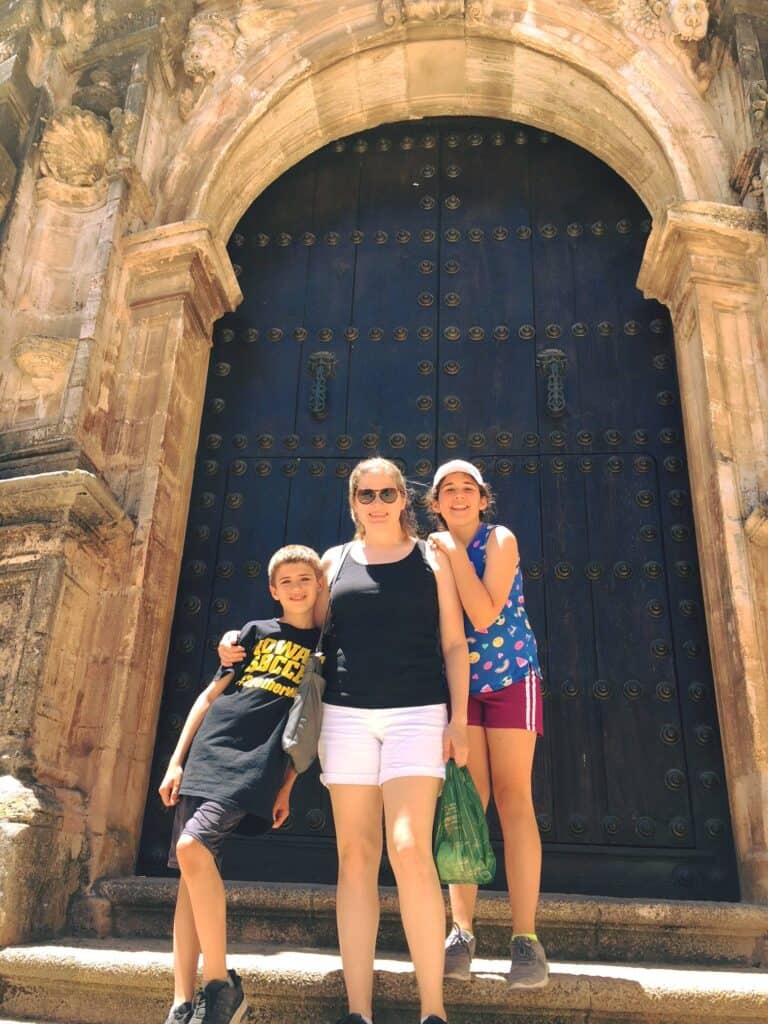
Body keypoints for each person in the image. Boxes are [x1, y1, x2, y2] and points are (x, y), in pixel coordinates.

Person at [219, 457, 470, 1024]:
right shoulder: (334, 562)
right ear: (353, 501)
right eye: (366, 495)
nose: (378, 503)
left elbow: (454, 643)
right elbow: (304, 630)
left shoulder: (433, 556)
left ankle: (434, 1010)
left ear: (404, 498)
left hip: (417, 714)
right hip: (347, 718)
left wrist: (459, 719)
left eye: (387, 493)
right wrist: (240, 641)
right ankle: (359, 1012)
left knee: (409, 848)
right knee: (356, 856)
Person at [158, 544, 323, 1024]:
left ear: (318, 587)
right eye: (286, 581)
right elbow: (209, 698)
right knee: (190, 878)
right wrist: (176, 761)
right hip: (210, 751)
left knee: (193, 847)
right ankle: (182, 1003)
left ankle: (220, 984)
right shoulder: (251, 634)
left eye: (304, 580)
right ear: (273, 590)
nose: (295, 588)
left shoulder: (324, 646)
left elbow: (308, 724)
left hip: (257, 760)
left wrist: (288, 784)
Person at [428, 459, 548, 989]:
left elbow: (483, 615)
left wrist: (453, 551)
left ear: (482, 499)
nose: (457, 496)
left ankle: (526, 938)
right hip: (458, 690)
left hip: (510, 680)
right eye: (447, 490)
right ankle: (461, 931)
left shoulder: (499, 539)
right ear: (434, 503)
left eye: (467, 489)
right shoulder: (428, 549)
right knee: (464, 805)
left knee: (512, 797)